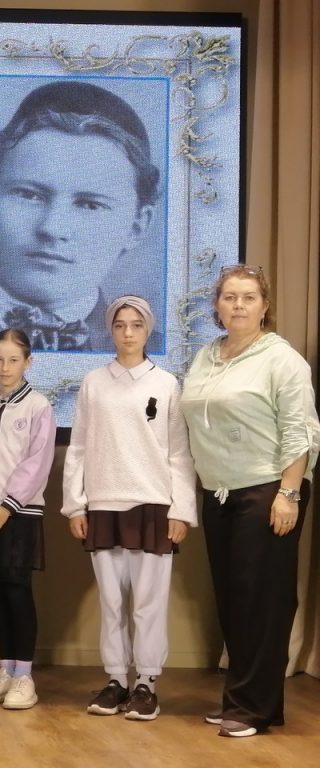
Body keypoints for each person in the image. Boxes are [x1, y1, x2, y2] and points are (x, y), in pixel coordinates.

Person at [180, 265, 320, 738]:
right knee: (234, 600)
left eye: (248, 297)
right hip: (219, 491)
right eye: (229, 297)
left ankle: (251, 708)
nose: (238, 304)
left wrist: (289, 493)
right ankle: (247, 700)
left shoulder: (282, 359)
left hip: (268, 490)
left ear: (265, 306)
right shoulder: (206, 356)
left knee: (263, 601)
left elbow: (301, 431)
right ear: (216, 306)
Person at [0, 80, 163, 352]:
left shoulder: (163, 355)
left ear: (137, 227)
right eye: (28, 195)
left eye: (90, 205)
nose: (52, 228)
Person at [61, 295, 197, 721]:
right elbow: (78, 448)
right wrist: (75, 505)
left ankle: (146, 684)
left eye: (136, 325)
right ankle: (117, 679)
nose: (127, 333)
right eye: (120, 325)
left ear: (148, 329)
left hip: (153, 505)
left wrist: (181, 510)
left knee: (148, 603)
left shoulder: (166, 384)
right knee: (112, 602)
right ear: (110, 330)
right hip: (104, 503)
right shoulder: (93, 383)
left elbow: (179, 453)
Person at [0, 329, 55, 710]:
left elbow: (37, 462)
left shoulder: (38, 406)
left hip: (18, 514)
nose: (5, 367)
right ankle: (5, 669)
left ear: (28, 362)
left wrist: (6, 507)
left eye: (14, 360)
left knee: (17, 591)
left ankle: (24, 676)